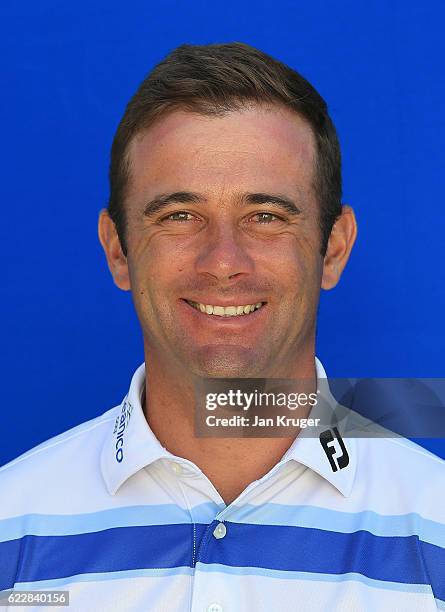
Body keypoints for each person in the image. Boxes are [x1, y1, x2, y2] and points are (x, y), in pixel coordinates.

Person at [1, 42, 444, 611]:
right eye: (179, 216)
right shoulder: (13, 529)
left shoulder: (433, 526)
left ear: (333, 248)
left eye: (265, 217)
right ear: (118, 251)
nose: (222, 261)